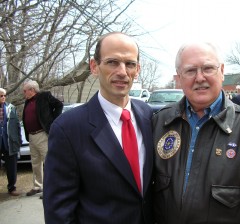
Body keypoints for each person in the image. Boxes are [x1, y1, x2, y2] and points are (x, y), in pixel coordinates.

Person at [152, 42, 240, 223]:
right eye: (190, 71)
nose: (199, 78)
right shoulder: (159, 123)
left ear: (221, 71)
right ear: (179, 77)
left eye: (208, 68)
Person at [43, 32, 154, 224]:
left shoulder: (148, 115)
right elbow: (59, 211)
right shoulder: (67, 128)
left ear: (137, 70)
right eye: (112, 62)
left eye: (129, 64)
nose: (122, 71)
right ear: (94, 67)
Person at [22, 80, 63, 198]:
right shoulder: (27, 101)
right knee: (35, 163)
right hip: (31, 136)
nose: (24, 93)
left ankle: (51, 189)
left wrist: (53, 122)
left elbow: (59, 105)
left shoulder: (44, 96)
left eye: (25, 91)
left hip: (42, 134)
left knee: (48, 161)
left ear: (32, 90)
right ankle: (37, 186)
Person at [0, 88, 22, 196]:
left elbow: (17, 125)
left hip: (9, 142)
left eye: (4, 95)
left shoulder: (11, 108)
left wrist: (19, 140)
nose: (3, 97)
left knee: (12, 166)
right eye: (1, 96)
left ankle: (12, 188)